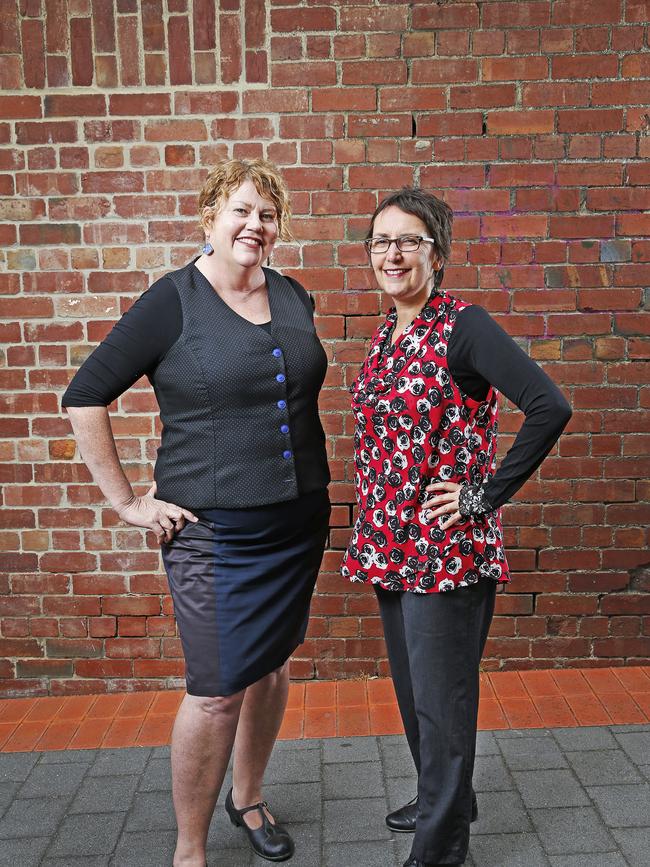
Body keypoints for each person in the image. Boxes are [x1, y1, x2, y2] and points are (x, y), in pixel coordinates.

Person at [63, 158, 331, 867]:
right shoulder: (172, 300)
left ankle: (249, 798)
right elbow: (84, 394)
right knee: (215, 691)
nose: (255, 225)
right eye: (241, 210)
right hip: (214, 535)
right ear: (208, 218)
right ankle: (189, 849)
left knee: (271, 668)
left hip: (297, 521)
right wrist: (127, 501)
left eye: (268, 214)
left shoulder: (294, 293)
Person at [341, 188, 572, 867]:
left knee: (443, 706)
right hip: (390, 545)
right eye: (381, 240)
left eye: (408, 240)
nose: (393, 252)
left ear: (436, 253)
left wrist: (483, 495)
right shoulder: (389, 333)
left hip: (445, 550)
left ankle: (441, 847)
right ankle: (448, 795)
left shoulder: (463, 326)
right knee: (416, 698)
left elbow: (547, 406)